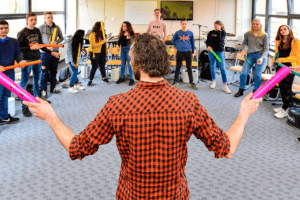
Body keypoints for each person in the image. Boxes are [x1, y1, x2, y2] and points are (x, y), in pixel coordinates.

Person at [24, 33, 262, 199]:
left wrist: (51, 117)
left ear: (136, 62)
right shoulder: (188, 102)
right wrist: (243, 113)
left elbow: (77, 148)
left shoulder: (117, 105)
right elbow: (226, 148)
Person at [17, 12, 61, 117]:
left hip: (37, 59)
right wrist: (30, 48)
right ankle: (24, 107)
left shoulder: (37, 30)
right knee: (24, 83)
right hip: (27, 60)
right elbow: (18, 48)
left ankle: (37, 101)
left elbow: (41, 45)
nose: (34, 22)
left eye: (35, 20)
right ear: (27, 20)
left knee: (37, 80)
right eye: (31, 20)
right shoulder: (22, 33)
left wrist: (52, 52)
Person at [0, 20, 26, 125]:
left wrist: (21, 61)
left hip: (10, 72)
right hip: (0, 74)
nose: (4, 30)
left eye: (6, 28)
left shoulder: (13, 41)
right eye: (1, 28)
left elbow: (18, 54)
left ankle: (4, 117)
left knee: (6, 95)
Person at [234, 19, 269, 97]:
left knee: (257, 74)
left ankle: (255, 92)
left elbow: (266, 48)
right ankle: (241, 90)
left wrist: (262, 58)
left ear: (260, 25)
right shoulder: (248, 34)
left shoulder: (264, 35)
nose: (255, 26)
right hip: (250, 56)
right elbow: (244, 43)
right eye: (254, 24)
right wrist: (243, 50)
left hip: (260, 56)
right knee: (243, 73)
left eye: (257, 24)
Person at [271, 25, 300, 119]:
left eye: (285, 29)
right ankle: (284, 107)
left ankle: (285, 110)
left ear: (289, 30)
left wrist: (281, 60)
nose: (283, 31)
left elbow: (297, 56)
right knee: (281, 87)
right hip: (279, 66)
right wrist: (273, 63)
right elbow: (276, 54)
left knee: (287, 88)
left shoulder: (295, 41)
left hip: (290, 67)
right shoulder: (279, 41)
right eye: (281, 30)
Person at [39, 11, 64, 99]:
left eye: (51, 17)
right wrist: (46, 47)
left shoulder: (57, 27)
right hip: (45, 53)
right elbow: (39, 41)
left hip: (55, 53)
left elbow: (62, 37)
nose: (50, 19)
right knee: (44, 73)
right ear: (44, 18)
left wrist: (56, 42)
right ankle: (44, 90)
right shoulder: (41, 28)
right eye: (48, 17)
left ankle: (53, 88)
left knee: (53, 72)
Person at [172, 18, 198, 90]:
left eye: (185, 24)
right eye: (183, 24)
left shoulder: (190, 33)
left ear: (187, 24)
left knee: (189, 67)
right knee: (178, 67)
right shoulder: (177, 33)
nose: (184, 25)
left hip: (188, 52)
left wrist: (192, 52)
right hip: (180, 52)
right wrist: (177, 46)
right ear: (180, 24)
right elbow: (173, 40)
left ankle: (191, 82)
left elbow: (193, 43)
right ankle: (176, 81)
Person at [206, 20, 231, 94]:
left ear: (220, 26)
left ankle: (225, 85)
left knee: (222, 68)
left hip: (219, 52)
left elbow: (219, 40)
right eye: (214, 25)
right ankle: (213, 81)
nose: (215, 26)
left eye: (217, 25)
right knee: (212, 66)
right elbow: (207, 41)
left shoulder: (223, 33)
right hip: (211, 52)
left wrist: (219, 31)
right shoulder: (210, 32)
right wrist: (208, 47)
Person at [87, 21, 108, 87]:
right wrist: (102, 42)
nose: (103, 28)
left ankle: (104, 78)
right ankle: (90, 80)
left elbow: (105, 43)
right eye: (102, 27)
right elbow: (93, 45)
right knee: (94, 67)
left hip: (102, 51)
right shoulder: (92, 34)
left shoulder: (102, 33)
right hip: (94, 52)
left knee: (102, 65)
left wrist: (106, 50)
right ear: (98, 27)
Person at [116, 21, 135, 86]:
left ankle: (131, 79)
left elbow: (133, 42)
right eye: (123, 26)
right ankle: (121, 77)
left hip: (128, 49)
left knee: (130, 64)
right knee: (123, 64)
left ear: (128, 27)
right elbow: (119, 42)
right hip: (122, 50)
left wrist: (129, 39)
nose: (123, 27)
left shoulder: (131, 33)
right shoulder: (122, 33)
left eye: (125, 26)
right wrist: (118, 47)